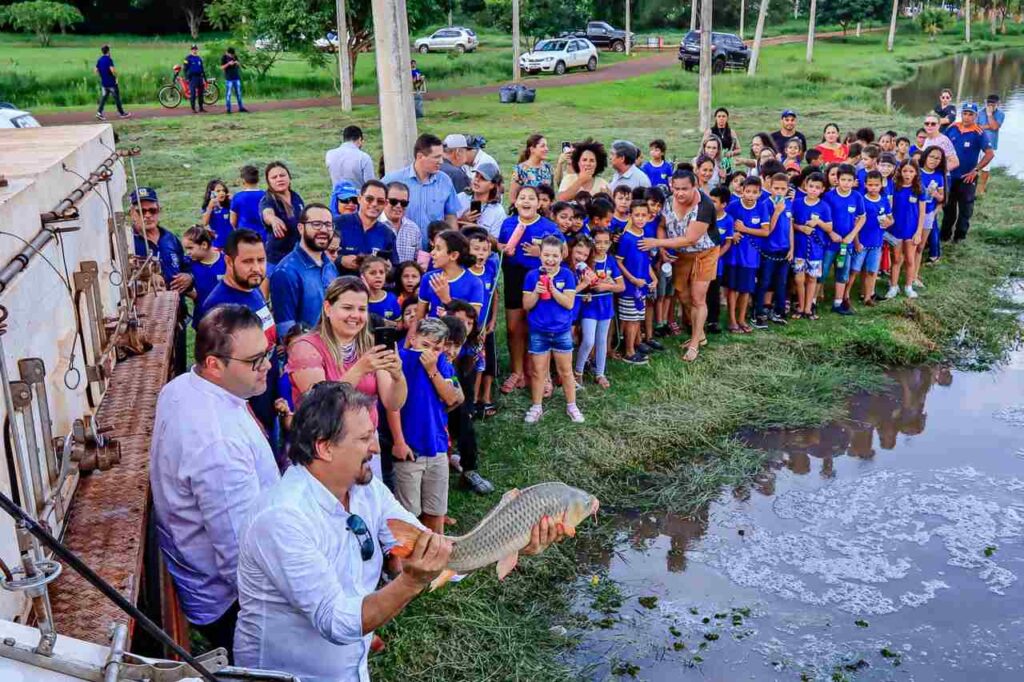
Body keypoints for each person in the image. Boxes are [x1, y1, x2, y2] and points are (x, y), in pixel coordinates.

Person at [151, 305, 280, 662]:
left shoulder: (182, 386)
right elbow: (238, 559)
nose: (267, 365)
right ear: (214, 365)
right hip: (231, 602)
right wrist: (288, 611)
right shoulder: (218, 446)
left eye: (267, 352)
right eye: (255, 360)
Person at [388, 316, 462, 530]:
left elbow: (451, 398)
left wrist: (433, 370)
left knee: (436, 511)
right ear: (413, 339)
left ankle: (436, 560)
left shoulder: (442, 364)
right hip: (411, 448)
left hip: (437, 446)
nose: (429, 352)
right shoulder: (400, 360)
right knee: (409, 517)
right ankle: (405, 563)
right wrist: (399, 441)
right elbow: (392, 405)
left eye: (437, 347)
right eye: (425, 345)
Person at [640, 169, 719, 362]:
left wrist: (657, 243)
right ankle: (699, 334)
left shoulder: (705, 206)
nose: (680, 193)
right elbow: (661, 226)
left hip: (704, 253)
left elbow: (690, 239)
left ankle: (694, 344)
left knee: (698, 298)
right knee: (683, 295)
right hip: (681, 254)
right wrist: (662, 247)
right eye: (676, 189)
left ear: (695, 186)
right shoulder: (667, 201)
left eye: (685, 189)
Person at [497, 186, 563, 394]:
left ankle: (542, 375)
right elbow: (500, 246)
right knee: (514, 329)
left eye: (531, 198)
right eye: (522, 197)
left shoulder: (548, 227)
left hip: (538, 279)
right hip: (513, 278)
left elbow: (564, 250)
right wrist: (501, 248)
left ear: (538, 203)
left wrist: (540, 251)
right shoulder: (508, 224)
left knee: (538, 327)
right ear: (515, 202)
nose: (526, 201)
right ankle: (518, 372)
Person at [130, 187, 192, 374]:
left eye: (152, 210)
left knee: (179, 368)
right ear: (132, 213)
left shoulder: (170, 238)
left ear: (159, 211)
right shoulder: (128, 244)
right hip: (148, 324)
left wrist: (189, 278)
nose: (147, 215)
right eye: (141, 211)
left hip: (177, 319)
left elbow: (186, 265)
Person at [523, 236, 582, 423]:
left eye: (555, 256)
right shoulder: (532, 276)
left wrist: (553, 289)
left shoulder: (567, 275)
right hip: (539, 330)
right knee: (538, 371)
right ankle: (536, 406)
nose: (550, 259)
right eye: (546, 255)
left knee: (565, 371)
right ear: (540, 256)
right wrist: (537, 292)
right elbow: (526, 305)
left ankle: (572, 405)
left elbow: (569, 303)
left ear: (561, 256)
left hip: (561, 331)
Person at [269, 203, 339, 338]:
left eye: (328, 225)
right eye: (316, 224)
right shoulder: (285, 272)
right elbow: (286, 331)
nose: (324, 230)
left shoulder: (329, 265)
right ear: (301, 228)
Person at [382, 134, 461, 247]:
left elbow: (450, 216)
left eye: (442, 157)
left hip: (435, 252)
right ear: (420, 156)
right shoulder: (392, 180)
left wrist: (453, 244)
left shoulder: (445, 181)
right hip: (402, 249)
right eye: (436, 157)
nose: (441, 161)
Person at [940, 102, 994, 243]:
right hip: (950, 176)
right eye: (965, 113)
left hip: (967, 178)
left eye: (971, 114)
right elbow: (941, 145)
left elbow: (989, 154)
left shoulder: (979, 132)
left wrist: (976, 170)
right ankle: (944, 236)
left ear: (975, 116)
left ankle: (959, 237)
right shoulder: (952, 128)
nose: (967, 116)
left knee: (965, 210)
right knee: (948, 208)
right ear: (961, 114)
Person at [615, 201, 656, 365]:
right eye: (637, 215)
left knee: (637, 318)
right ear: (630, 216)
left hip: (642, 287)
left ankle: (634, 346)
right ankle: (629, 351)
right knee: (631, 320)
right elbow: (619, 262)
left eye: (643, 215)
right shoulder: (627, 238)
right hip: (630, 287)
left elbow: (646, 263)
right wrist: (631, 279)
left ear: (649, 216)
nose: (640, 218)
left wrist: (654, 278)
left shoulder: (644, 236)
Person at [823, 164, 866, 315]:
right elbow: (824, 218)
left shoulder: (857, 197)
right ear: (837, 180)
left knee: (842, 272)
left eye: (849, 180)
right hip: (829, 242)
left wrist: (852, 235)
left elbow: (862, 218)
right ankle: (812, 302)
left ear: (854, 181)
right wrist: (831, 233)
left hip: (845, 245)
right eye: (843, 179)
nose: (846, 183)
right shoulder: (829, 196)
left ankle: (838, 302)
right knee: (822, 272)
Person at [791, 171, 832, 320]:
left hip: (816, 249)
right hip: (799, 248)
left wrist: (818, 223)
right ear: (805, 186)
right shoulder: (796, 203)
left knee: (812, 278)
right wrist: (801, 228)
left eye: (817, 187)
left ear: (822, 190)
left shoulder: (824, 207)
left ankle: (808, 308)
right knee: (798, 279)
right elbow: (791, 223)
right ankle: (800, 306)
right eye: (811, 186)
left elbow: (829, 227)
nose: (813, 190)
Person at [754, 173, 794, 327]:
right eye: (776, 188)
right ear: (770, 188)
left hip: (784, 249)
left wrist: (792, 248)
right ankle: (758, 311)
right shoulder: (765, 204)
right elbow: (768, 229)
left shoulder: (789, 204)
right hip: (769, 249)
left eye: (783, 189)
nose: (779, 191)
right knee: (764, 281)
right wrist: (777, 212)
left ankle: (779, 311)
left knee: (781, 282)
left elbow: (790, 227)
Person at [334, 180, 398, 276]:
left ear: (385, 204)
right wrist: (341, 260)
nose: (374, 204)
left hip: (371, 289)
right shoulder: (338, 224)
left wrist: (388, 269)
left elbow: (395, 268)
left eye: (380, 201)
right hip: (340, 287)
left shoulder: (387, 234)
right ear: (359, 199)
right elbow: (319, 255)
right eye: (369, 199)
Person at [416, 230, 484, 319]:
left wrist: (446, 299)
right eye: (433, 248)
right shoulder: (428, 278)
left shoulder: (474, 283)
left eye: (438, 249)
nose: (432, 253)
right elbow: (419, 318)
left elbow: (472, 321)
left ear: (454, 255)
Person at [851, 170, 892, 306]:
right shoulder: (861, 200)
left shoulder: (884, 200)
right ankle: (844, 296)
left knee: (872, 271)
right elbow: (855, 223)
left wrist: (889, 222)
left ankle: (868, 297)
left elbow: (891, 218)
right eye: (870, 185)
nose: (873, 188)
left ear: (881, 185)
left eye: (876, 185)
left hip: (877, 242)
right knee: (854, 271)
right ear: (865, 185)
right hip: (862, 241)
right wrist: (856, 241)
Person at [886, 162, 927, 299]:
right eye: (905, 171)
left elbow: (922, 213)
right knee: (896, 259)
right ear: (900, 172)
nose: (907, 174)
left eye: (911, 171)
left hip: (911, 230)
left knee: (910, 259)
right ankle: (893, 286)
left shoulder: (920, 189)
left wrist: (918, 232)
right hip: (896, 229)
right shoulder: (894, 187)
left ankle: (908, 286)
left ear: (916, 172)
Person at [260, 161, 305, 272]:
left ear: (289, 177)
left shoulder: (296, 197)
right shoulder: (267, 200)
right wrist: (273, 220)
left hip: (298, 257)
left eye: (282, 175)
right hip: (276, 260)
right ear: (268, 182)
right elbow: (267, 213)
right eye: (274, 177)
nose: (279, 179)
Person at [182, 225, 226, 316]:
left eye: (190, 248)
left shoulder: (226, 261)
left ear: (204, 245)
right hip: (203, 317)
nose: (187, 252)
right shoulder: (187, 263)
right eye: (186, 249)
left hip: (227, 316)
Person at [457, 163, 507, 237]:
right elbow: (447, 227)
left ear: (492, 185)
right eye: (476, 176)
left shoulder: (498, 211)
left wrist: (479, 230)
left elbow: (497, 244)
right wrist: (462, 220)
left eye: (483, 178)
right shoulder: (460, 198)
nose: (477, 180)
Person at [380, 182, 425, 264]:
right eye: (393, 201)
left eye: (403, 203)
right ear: (384, 201)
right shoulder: (375, 225)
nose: (398, 206)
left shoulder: (413, 229)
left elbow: (417, 262)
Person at [510, 134, 554, 203]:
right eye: (542, 146)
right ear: (532, 149)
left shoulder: (548, 168)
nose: (546, 149)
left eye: (546, 146)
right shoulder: (520, 170)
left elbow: (551, 196)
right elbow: (513, 198)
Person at [976, 94, 1004, 195]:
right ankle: (973, 186)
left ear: (998, 104)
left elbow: (995, 127)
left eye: (993, 104)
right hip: (978, 143)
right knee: (974, 165)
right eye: (988, 103)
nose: (990, 106)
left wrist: (989, 115)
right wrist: (987, 126)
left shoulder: (1000, 114)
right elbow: (975, 127)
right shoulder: (979, 113)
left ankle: (981, 189)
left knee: (985, 168)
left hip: (990, 145)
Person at [229, 165, 266, 240]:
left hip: (244, 236)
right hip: (264, 236)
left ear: (243, 180)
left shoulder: (237, 197)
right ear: (258, 179)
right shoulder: (266, 195)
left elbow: (232, 221)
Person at [95, 44, 130, 121]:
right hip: (111, 82)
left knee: (104, 98)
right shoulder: (109, 60)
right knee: (117, 98)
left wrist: (102, 76)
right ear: (108, 51)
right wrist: (116, 77)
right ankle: (122, 113)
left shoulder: (99, 60)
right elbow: (112, 70)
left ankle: (99, 113)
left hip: (104, 83)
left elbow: (96, 70)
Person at [362, 257, 402, 323]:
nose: (378, 276)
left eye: (381, 272)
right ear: (362, 276)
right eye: (372, 273)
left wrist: (391, 324)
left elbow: (399, 324)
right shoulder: (359, 300)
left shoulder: (392, 298)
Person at [201, 179, 233, 249]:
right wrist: (210, 208)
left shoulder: (229, 205)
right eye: (218, 191)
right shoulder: (208, 207)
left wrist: (234, 201)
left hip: (232, 242)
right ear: (211, 193)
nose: (222, 193)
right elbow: (204, 223)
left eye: (223, 190)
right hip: (217, 244)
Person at [220, 47, 248, 114]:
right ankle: (228, 109)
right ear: (228, 53)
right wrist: (228, 64)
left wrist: (237, 63)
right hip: (229, 78)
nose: (232, 56)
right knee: (228, 94)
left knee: (238, 93)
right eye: (231, 55)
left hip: (236, 77)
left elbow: (239, 65)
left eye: (233, 55)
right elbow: (221, 67)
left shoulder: (235, 56)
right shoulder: (224, 57)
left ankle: (241, 107)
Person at [183, 44, 207, 114]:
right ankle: (193, 108)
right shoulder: (187, 58)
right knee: (193, 94)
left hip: (199, 77)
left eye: (195, 49)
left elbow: (202, 69)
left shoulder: (199, 58)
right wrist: (187, 78)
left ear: (197, 50)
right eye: (193, 49)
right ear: (191, 50)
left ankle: (201, 108)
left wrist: (205, 79)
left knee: (201, 94)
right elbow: (185, 69)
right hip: (192, 78)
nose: (194, 50)